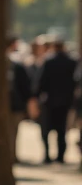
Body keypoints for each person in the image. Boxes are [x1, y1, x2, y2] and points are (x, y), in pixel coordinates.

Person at [32, 36, 78, 164]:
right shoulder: (71, 62)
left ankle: (47, 155)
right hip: (65, 101)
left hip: (49, 101)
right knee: (61, 130)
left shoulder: (48, 61)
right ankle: (60, 156)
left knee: (46, 130)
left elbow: (40, 82)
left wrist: (36, 97)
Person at [6, 37, 32, 163]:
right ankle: (11, 155)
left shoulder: (15, 65)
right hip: (15, 104)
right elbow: (26, 87)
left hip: (11, 104)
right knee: (13, 132)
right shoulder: (16, 65)